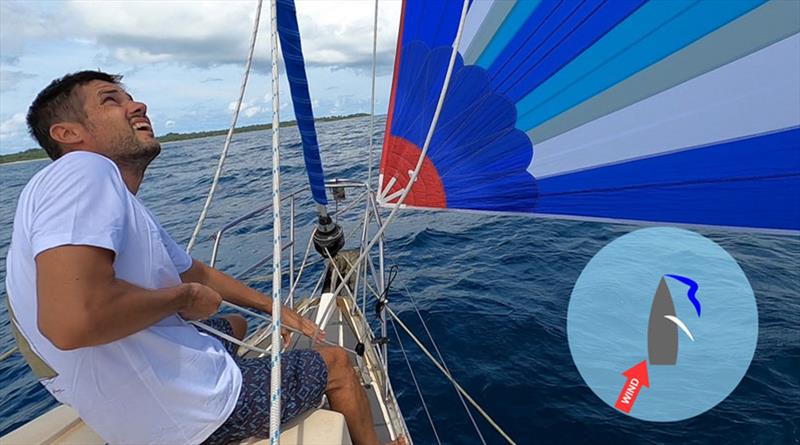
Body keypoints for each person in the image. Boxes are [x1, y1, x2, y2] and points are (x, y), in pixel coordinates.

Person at [5, 70, 384, 445]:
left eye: (128, 96)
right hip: (185, 415)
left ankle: (242, 368)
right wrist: (185, 298)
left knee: (234, 323)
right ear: (68, 134)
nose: (138, 105)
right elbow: (72, 321)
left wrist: (275, 310)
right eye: (110, 100)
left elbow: (195, 271)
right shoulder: (83, 169)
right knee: (335, 362)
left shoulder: (106, 199)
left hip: (131, 404)